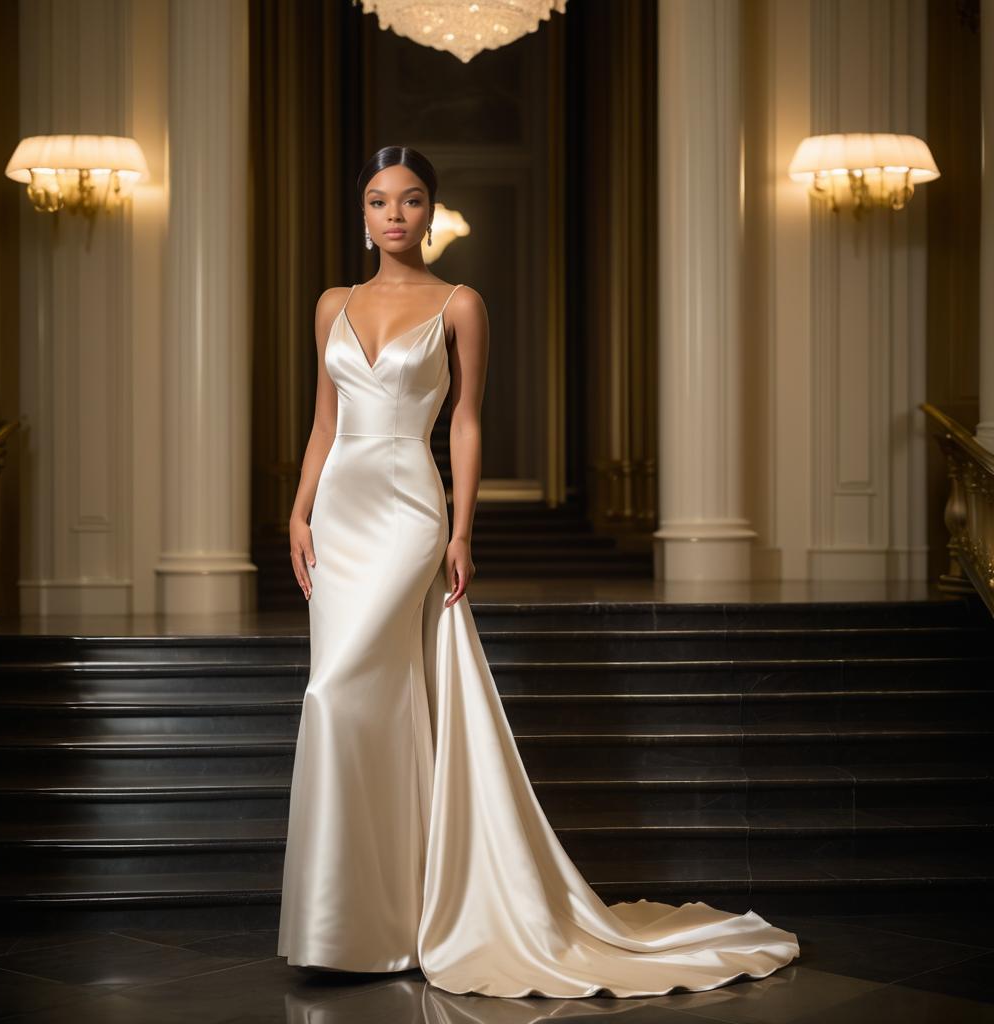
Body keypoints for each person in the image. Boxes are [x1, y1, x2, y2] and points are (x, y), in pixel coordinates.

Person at [276, 145, 800, 998]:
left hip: (411, 506)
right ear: (362, 214)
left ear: (432, 214)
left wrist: (461, 529)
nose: (395, 215)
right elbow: (325, 420)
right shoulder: (332, 303)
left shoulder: (461, 304)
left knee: (334, 692)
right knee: (363, 699)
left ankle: (375, 914)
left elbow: (469, 423)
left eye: (411, 201)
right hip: (340, 511)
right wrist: (299, 509)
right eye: (379, 201)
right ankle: (356, 922)